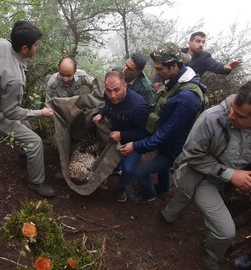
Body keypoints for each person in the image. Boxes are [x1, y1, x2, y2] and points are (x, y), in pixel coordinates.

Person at [160, 82, 251, 270]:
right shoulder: (211, 118)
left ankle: (167, 215)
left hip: (221, 178)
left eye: (240, 116)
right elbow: (192, 155)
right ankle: (211, 260)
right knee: (225, 231)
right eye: (233, 109)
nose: (231, 116)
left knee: (185, 194)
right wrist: (231, 174)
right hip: (198, 172)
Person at [119, 42, 207, 203]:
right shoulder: (177, 79)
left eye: (160, 69)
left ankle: (149, 196)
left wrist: (136, 145)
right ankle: (163, 188)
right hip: (169, 143)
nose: (156, 73)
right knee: (162, 165)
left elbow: (166, 134)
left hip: (177, 147)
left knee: (140, 172)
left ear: (174, 66)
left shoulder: (187, 98)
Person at [0, 21, 56, 197]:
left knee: (26, 127)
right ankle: (37, 182)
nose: (38, 47)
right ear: (25, 48)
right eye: (36, 45)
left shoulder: (0, 43)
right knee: (36, 141)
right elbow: (11, 113)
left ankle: (25, 154)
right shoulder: (14, 79)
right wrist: (41, 113)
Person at [92, 70, 149, 202]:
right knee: (109, 158)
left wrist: (122, 134)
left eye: (116, 90)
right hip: (114, 135)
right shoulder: (108, 95)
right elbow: (107, 107)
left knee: (128, 169)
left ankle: (122, 188)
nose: (112, 95)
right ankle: (115, 168)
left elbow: (144, 132)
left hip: (133, 142)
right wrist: (101, 113)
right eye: (108, 90)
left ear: (125, 85)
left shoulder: (139, 106)